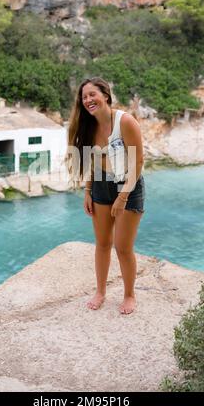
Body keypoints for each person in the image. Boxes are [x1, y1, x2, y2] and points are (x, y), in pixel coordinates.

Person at [67, 77, 145, 315]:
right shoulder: (88, 126)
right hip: (101, 184)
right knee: (102, 244)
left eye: (92, 94)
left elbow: (138, 161)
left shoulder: (125, 122)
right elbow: (92, 161)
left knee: (122, 247)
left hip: (128, 186)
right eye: (84, 97)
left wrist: (122, 197)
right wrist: (88, 191)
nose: (88, 100)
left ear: (106, 96)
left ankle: (129, 295)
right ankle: (100, 291)